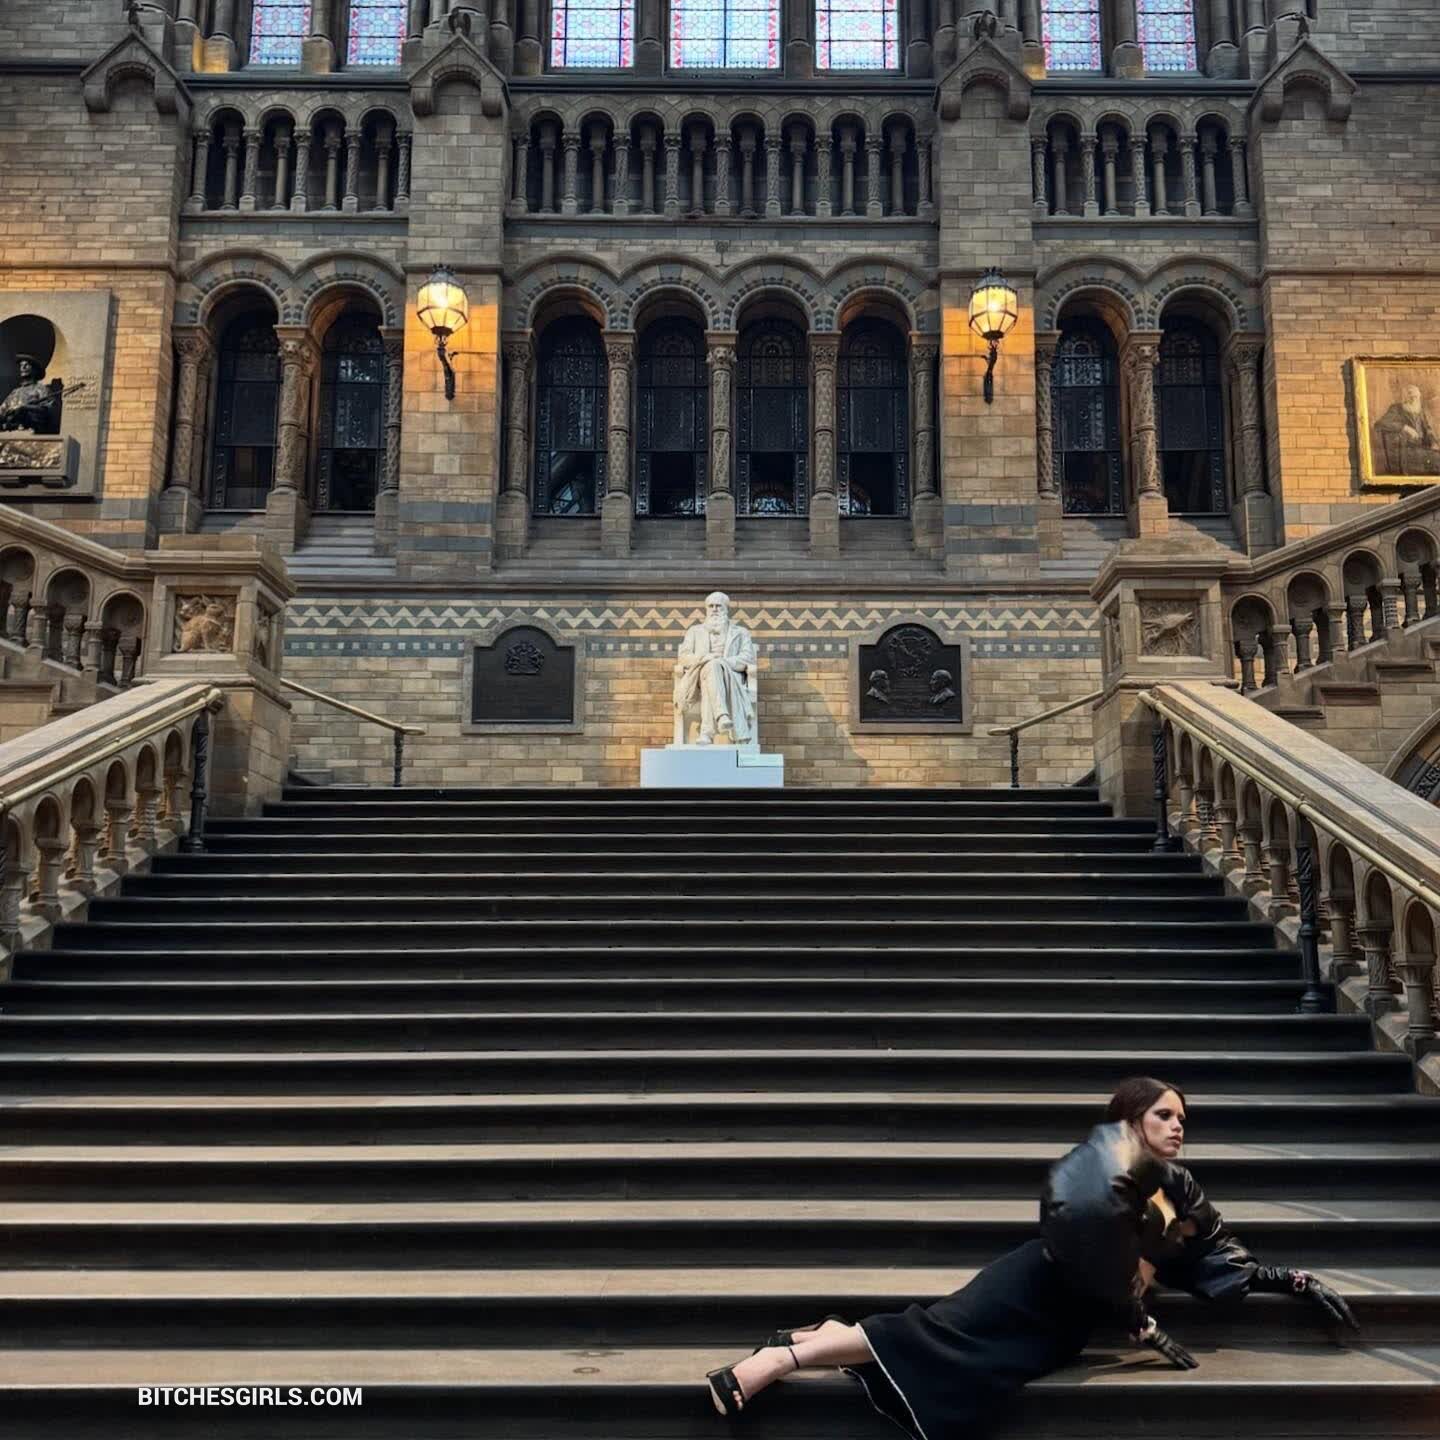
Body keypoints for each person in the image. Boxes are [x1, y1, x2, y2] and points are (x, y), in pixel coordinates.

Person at [705, 1076, 1359, 1434]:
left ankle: (823, 1335)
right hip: (1030, 1287)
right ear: (1132, 1120)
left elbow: (1212, 1248)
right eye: (1165, 1115)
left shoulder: (1179, 1187)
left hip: (1063, 1327)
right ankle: (773, 1361)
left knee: (969, 1371)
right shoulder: (1092, 1167)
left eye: (1183, 1117)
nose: (1178, 1125)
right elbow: (1083, 1239)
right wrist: (1131, 1307)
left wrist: (1290, 1280)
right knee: (929, 1335)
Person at [673, 590, 757, 746]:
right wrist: (704, 658)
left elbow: (747, 658)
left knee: (713, 669)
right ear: (706, 609)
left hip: (729, 676)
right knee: (711, 666)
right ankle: (721, 716)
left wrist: (723, 662)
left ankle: (707, 732)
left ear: (726, 608)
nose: (714, 609)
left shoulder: (741, 632)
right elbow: (684, 657)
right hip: (698, 678)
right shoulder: (694, 631)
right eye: (711, 606)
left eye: (718, 606)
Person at [1373, 383, 1440, 475]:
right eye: (1410, 395)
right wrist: (1405, 427)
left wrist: (1433, 442)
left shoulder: (1421, 410)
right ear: (1404, 397)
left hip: (1424, 446)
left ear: (1419, 396)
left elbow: (1428, 429)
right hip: (1406, 449)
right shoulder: (1396, 408)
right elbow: (1380, 423)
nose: (1413, 398)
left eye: (1416, 396)